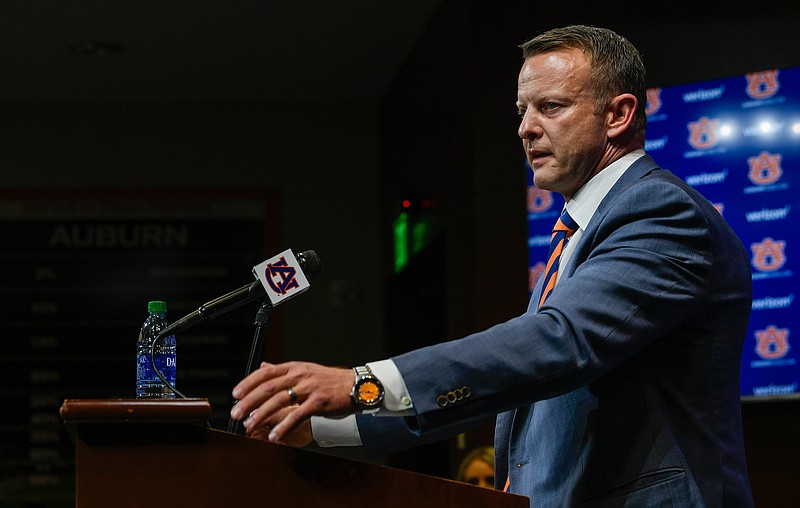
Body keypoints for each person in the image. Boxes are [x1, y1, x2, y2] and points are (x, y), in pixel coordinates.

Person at [230, 25, 755, 507]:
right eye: (521, 111)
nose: (526, 129)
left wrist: (361, 383)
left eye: (550, 107)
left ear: (617, 115)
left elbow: (560, 343)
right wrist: (319, 429)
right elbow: (510, 386)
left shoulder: (662, 211)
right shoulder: (577, 232)